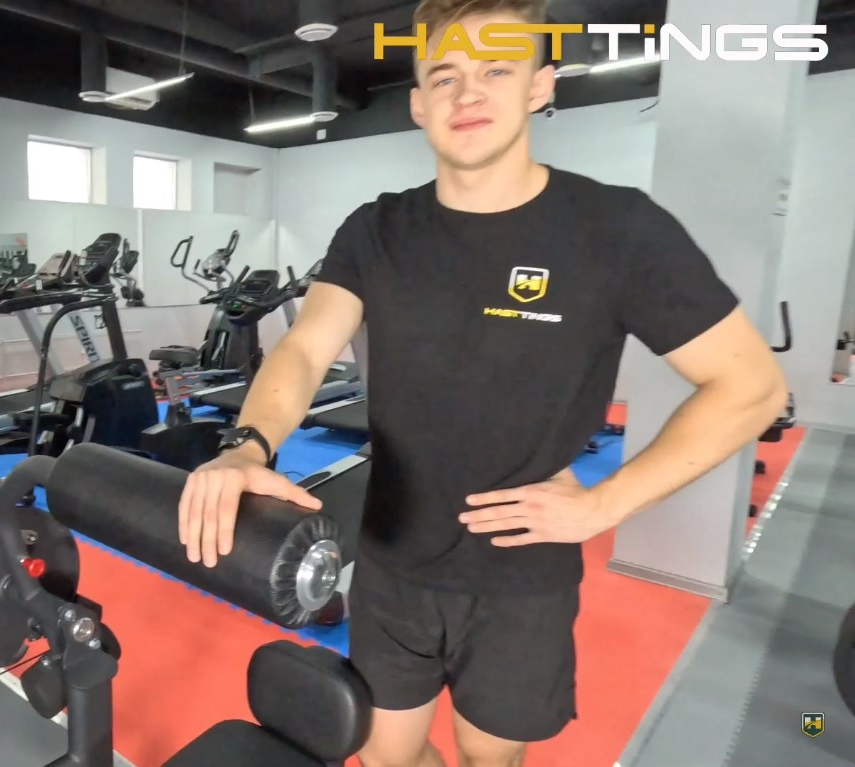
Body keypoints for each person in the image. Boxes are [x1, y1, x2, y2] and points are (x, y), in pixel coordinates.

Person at [177, 1, 790, 766]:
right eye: (444, 76)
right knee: (384, 757)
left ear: (540, 85)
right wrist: (247, 446)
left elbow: (750, 387)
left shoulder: (616, 228)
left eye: (495, 70)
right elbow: (303, 347)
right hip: (391, 563)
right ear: (417, 103)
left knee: (486, 758)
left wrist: (606, 502)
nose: (467, 93)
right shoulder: (375, 229)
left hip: (520, 578)